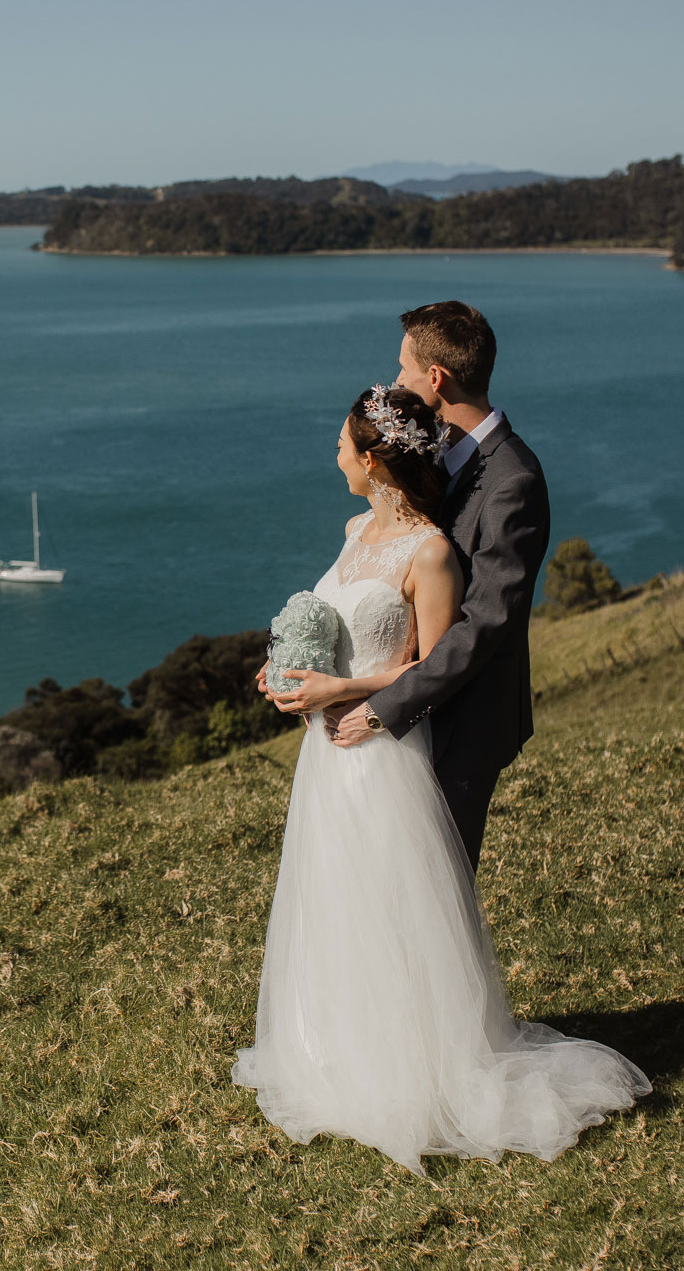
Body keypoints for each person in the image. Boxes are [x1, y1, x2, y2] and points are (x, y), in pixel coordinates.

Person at [232, 382, 647, 1175]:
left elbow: (421, 665)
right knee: (334, 897)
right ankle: (337, 1047)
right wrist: (291, 672)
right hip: (328, 752)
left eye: (345, 444)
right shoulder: (355, 530)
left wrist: (342, 692)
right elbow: (338, 630)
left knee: (392, 909)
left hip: (381, 751)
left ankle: (411, 1067)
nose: (337, 454)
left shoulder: (430, 552)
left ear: (377, 459)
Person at [325, 300, 546, 870]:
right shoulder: (428, 451)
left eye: (403, 369)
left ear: (435, 377)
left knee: (436, 893)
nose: (397, 380)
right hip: (396, 708)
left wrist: (383, 706)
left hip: (462, 725)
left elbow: (486, 623)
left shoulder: (512, 480)